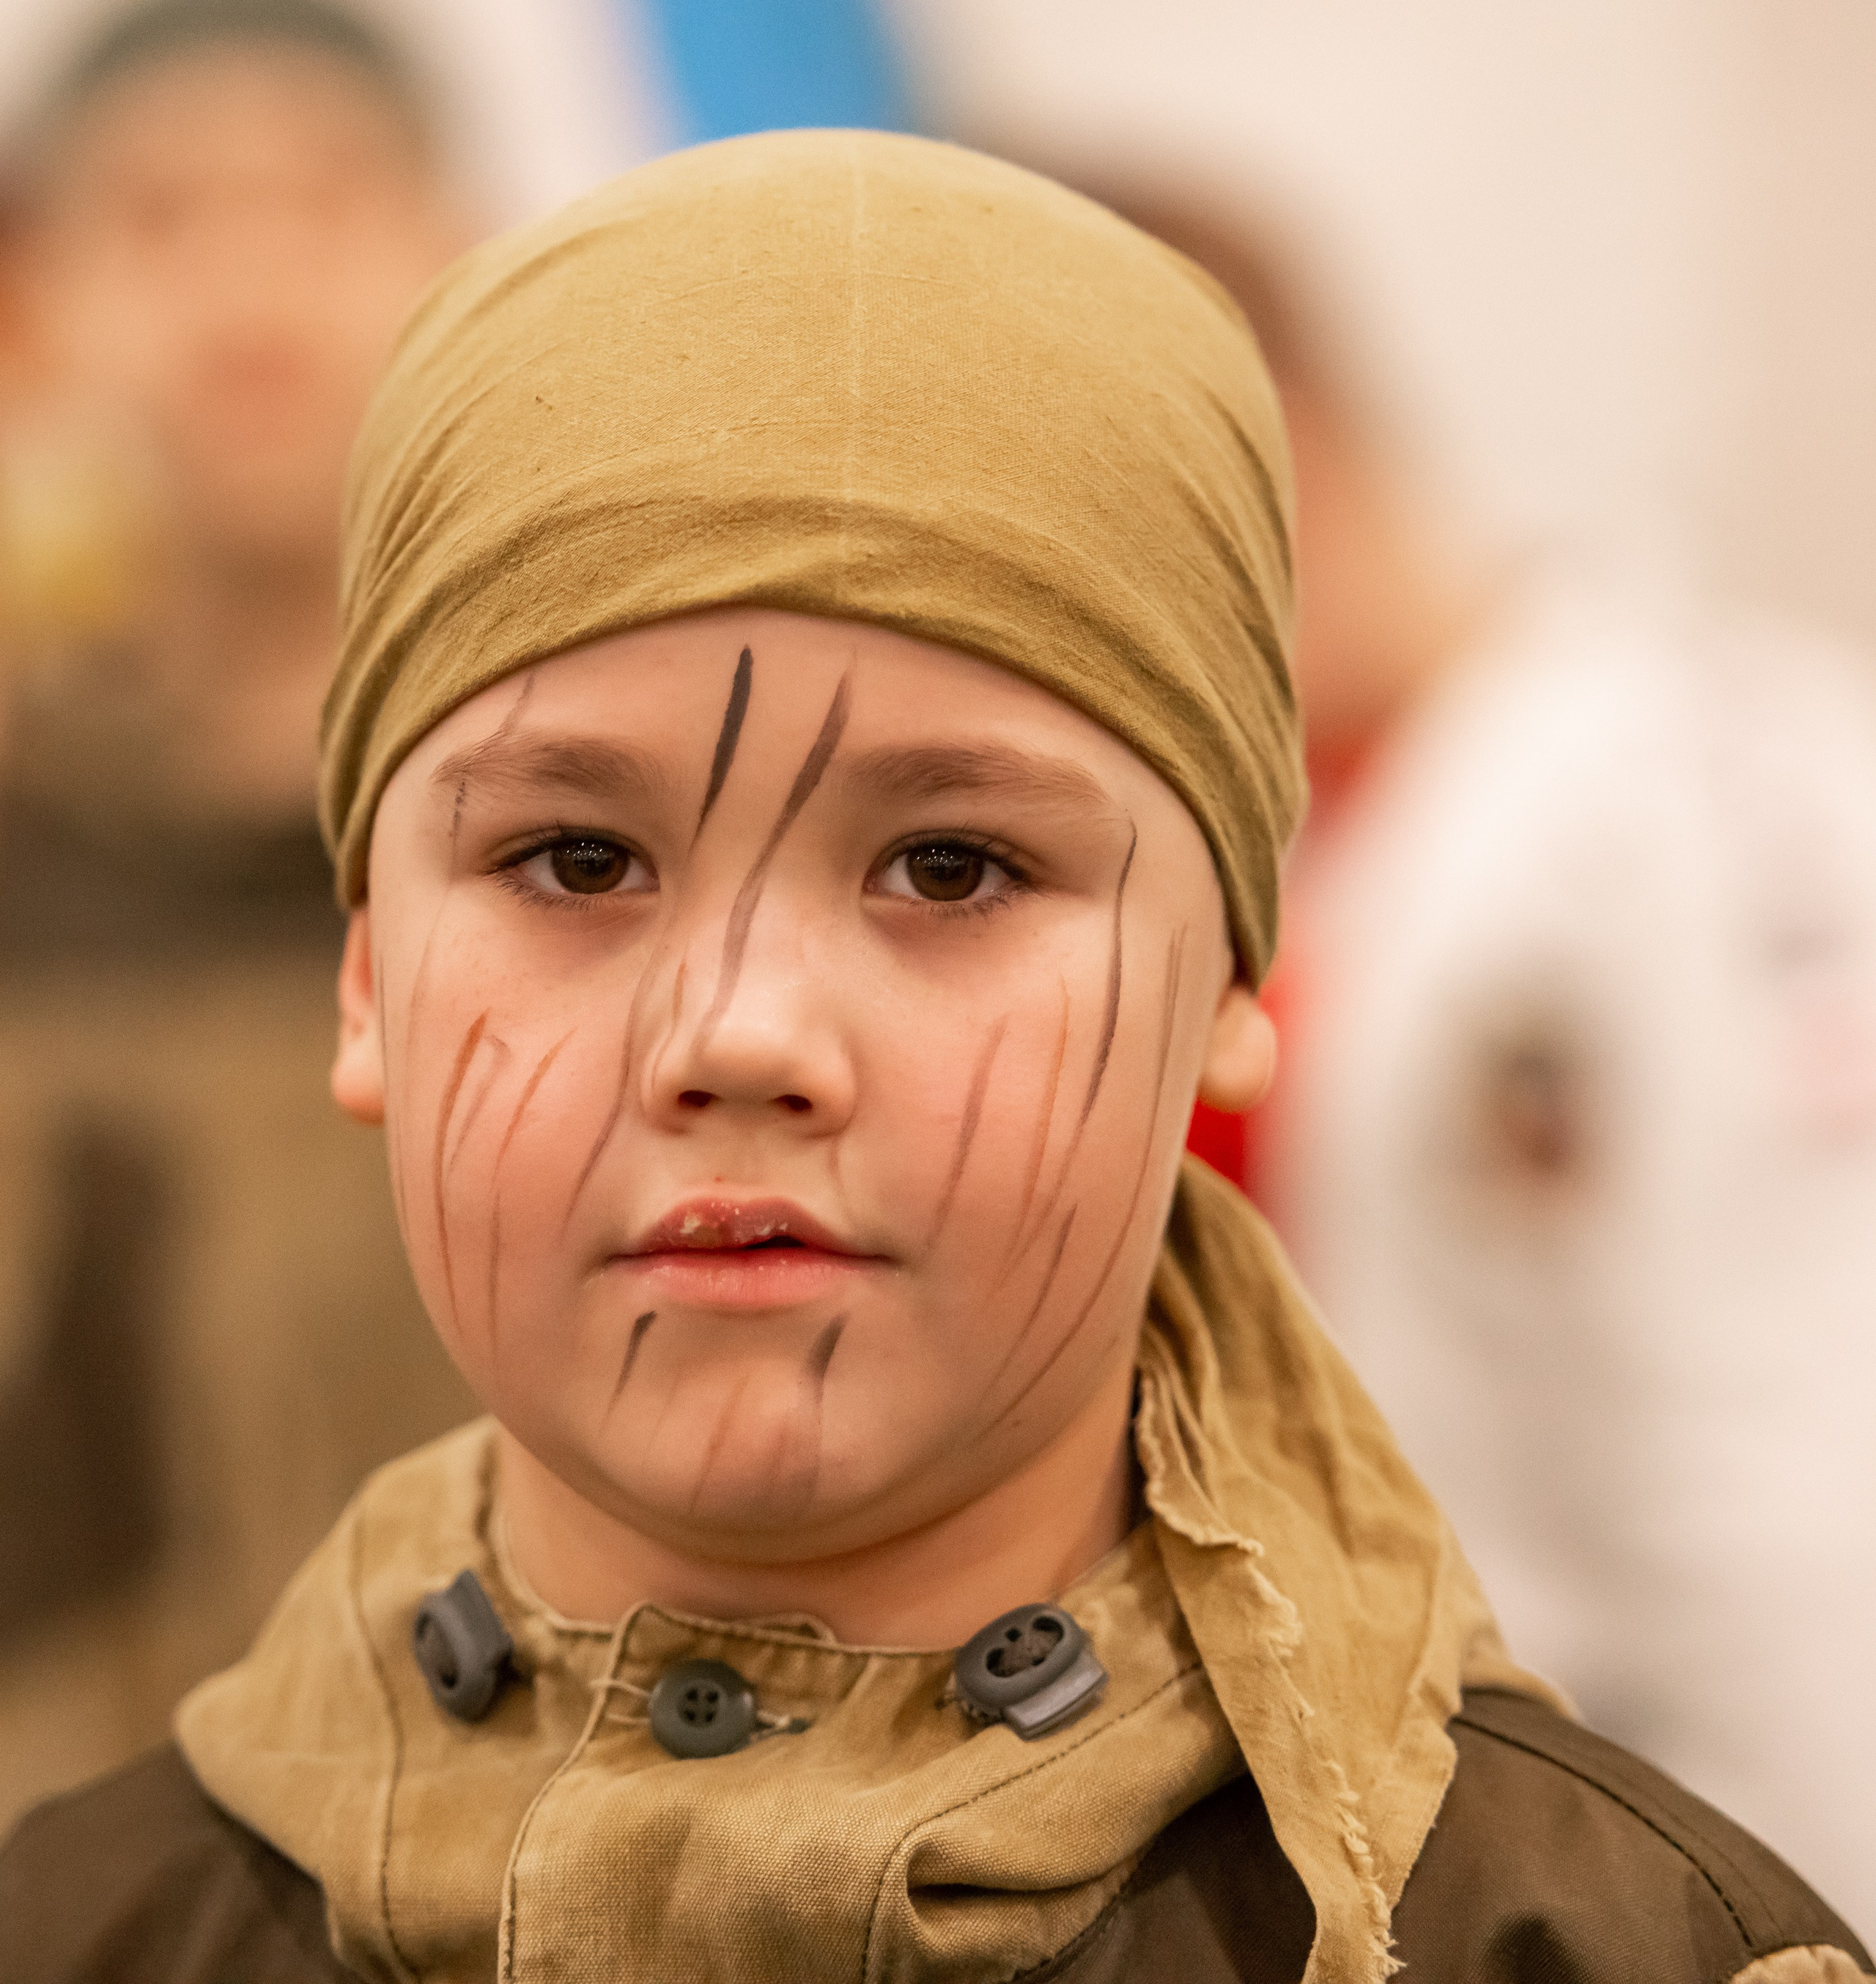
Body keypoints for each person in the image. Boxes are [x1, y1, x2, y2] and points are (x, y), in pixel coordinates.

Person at [1, 131, 1866, 1984]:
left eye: (952, 866)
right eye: (575, 860)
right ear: (363, 981)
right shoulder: (81, 1931)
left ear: (1234, 968)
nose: (737, 1032)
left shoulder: (1594, 1948)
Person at [1083, 177, 1876, 1939]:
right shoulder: (1300, 828)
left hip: (1681, 1859)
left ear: (1263, 445)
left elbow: (1787, 1499)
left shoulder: (1685, 805)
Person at [0, 0, 475, 1832]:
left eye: (322, 203)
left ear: (456, 255)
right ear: (41, 297)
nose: (250, 288)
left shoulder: (612, 816)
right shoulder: (33, 839)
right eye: (167, 218)